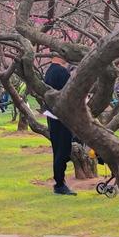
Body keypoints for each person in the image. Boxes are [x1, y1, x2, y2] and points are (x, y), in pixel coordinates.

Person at [41, 52, 76, 196]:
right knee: (63, 149)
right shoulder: (61, 72)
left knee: (58, 149)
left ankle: (59, 181)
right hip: (61, 116)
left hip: (52, 115)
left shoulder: (49, 72)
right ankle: (60, 183)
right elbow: (70, 92)